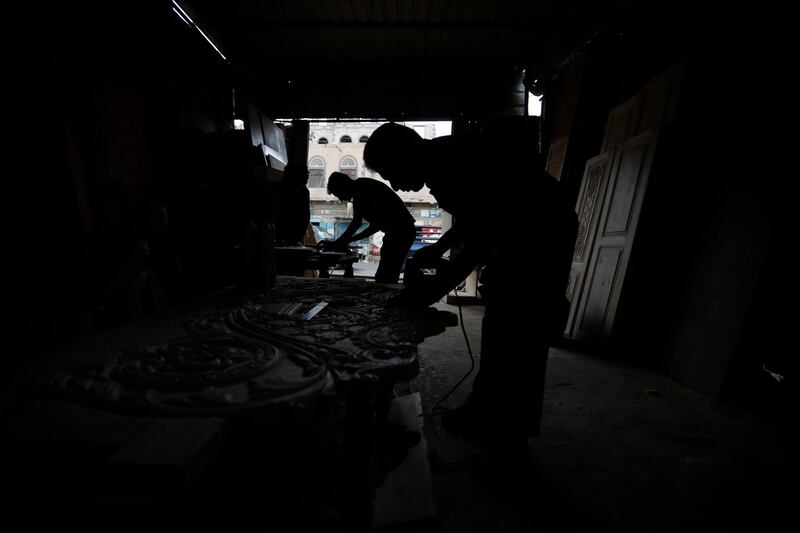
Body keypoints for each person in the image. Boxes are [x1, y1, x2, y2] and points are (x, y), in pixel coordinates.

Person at [363, 122, 578, 480]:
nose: (394, 184)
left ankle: (510, 449)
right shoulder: (441, 162)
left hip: (543, 230)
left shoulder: (453, 162)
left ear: (405, 155)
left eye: (390, 172)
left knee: (519, 334)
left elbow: (480, 236)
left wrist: (434, 288)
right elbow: (472, 219)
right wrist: (438, 247)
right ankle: (481, 409)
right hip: (522, 228)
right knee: (499, 323)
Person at [323, 171, 416, 284]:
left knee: (385, 277)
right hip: (399, 232)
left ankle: (387, 299)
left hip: (401, 233)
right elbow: (359, 223)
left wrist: (343, 241)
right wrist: (342, 241)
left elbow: (362, 224)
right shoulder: (361, 187)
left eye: (339, 194)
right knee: (386, 275)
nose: (341, 199)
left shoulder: (361, 190)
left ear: (343, 187)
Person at [274, 163, 311, 246]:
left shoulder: (304, 191)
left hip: (294, 238)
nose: (308, 174)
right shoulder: (278, 190)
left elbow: (305, 218)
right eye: (306, 173)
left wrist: (297, 238)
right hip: (278, 236)